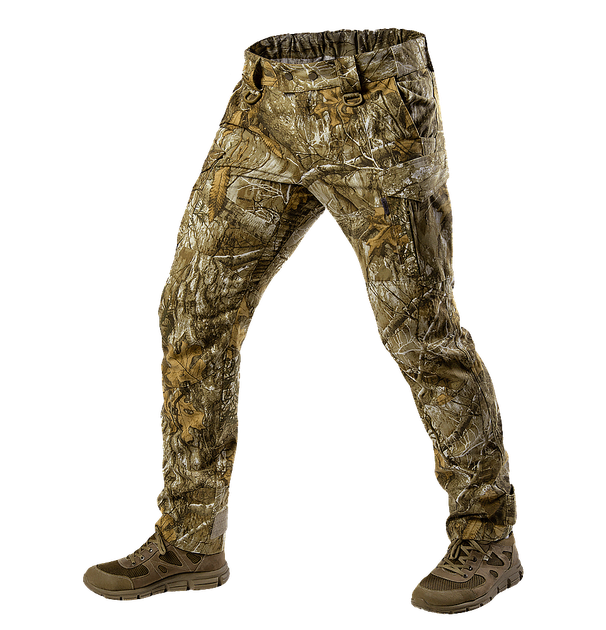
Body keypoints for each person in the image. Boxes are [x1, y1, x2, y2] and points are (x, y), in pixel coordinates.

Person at [81, 27, 523, 614]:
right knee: (192, 313)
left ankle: (488, 537)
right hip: (264, 97)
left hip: (374, 99)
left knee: (421, 334)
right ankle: (189, 539)